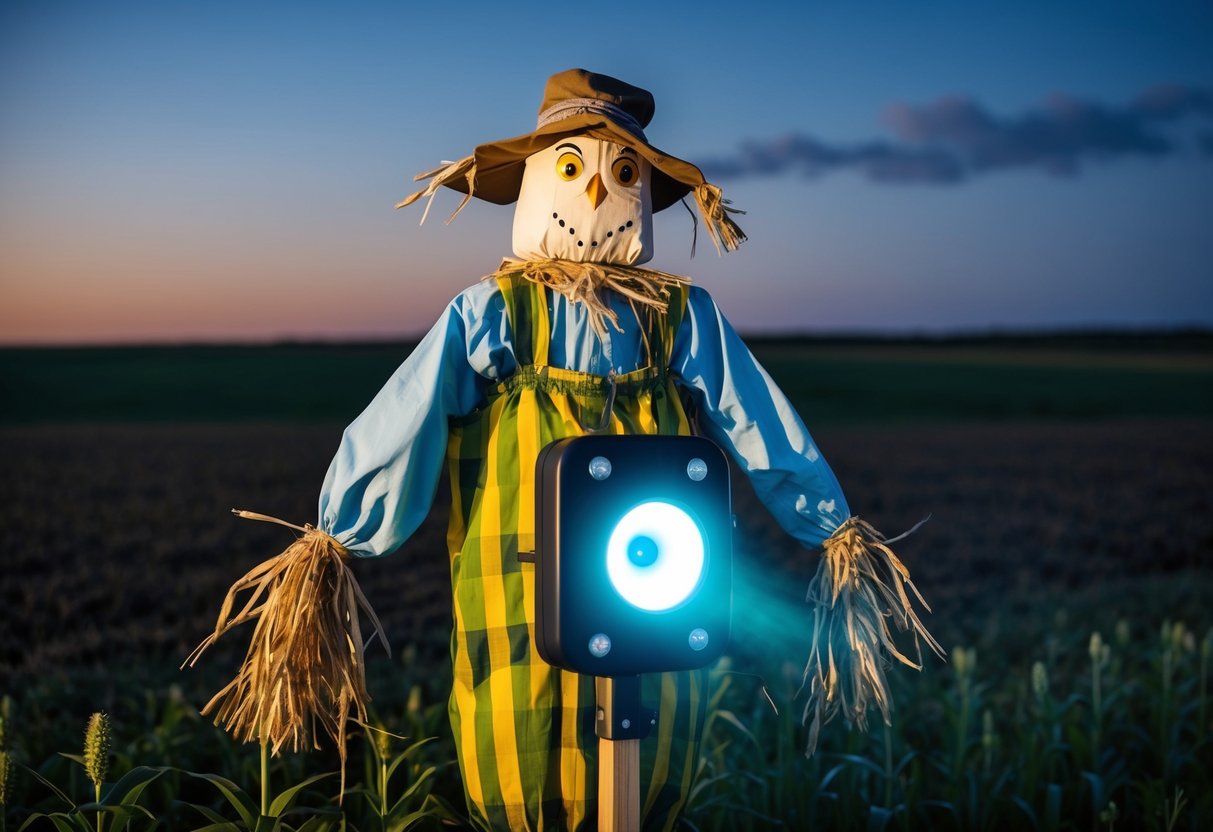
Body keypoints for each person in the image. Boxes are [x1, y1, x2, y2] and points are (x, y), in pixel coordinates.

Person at [316, 69, 939, 832]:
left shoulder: (678, 314)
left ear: (642, 188)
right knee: (523, 724)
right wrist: (337, 538)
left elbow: (755, 417)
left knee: (652, 714)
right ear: (538, 178)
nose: (591, 195)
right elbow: (405, 415)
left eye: (618, 174)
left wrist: (828, 526)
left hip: (656, 571)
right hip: (519, 576)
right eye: (572, 170)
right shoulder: (494, 310)